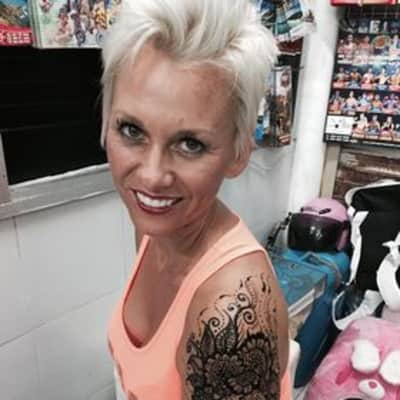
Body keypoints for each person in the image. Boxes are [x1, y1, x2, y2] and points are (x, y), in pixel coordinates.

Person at [100, 0, 290, 399]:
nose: (152, 176)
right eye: (132, 130)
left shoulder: (230, 311)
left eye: (190, 144)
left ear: (238, 153)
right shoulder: (154, 230)